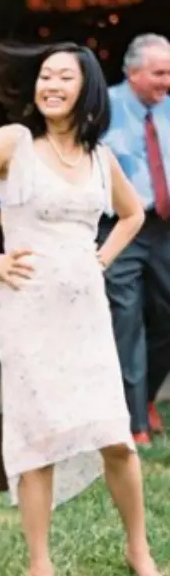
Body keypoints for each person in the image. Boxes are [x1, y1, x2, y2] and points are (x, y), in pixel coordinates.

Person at [0, 40, 170, 576]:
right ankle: (40, 573)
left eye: (64, 77)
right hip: (29, 310)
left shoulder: (100, 156)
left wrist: (102, 258)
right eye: (44, 76)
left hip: (84, 309)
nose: (51, 85)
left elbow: (132, 214)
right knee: (37, 445)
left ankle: (141, 554)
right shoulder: (13, 143)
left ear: (86, 88)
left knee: (115, 436)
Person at [101, 33, 170, 445]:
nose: (167, 81)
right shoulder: (103, 108)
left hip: (165, 228)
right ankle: (132, 423)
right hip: (121, 226)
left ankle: (144, 397)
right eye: (160, 73)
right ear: (133, 73)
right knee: (126, 318)